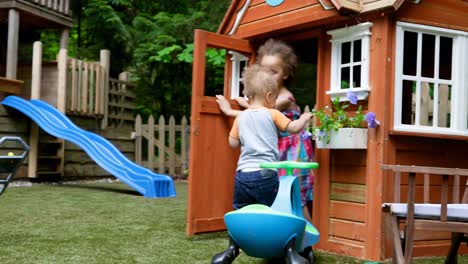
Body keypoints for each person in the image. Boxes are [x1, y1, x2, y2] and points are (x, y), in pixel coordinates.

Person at [211, 64, 312, 264]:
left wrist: (244, 136)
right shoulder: (271, 113)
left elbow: (232, 143)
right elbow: (292, 128)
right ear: (268, 96)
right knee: (275, 212)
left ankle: (232, 249)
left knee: (242, 212)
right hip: (266, 174)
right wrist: (304, 118)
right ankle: (289, 252)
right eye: (274, 98)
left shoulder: (241, 116)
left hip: (243, 175)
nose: (274, 102)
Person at [216, 39, 315, 223]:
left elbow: (261, 114)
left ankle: (306, 238)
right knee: (280, 194)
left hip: (293, 149)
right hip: (276, 148)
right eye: (264, 70)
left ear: (286, 74)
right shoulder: (267, 100)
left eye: (274, 71)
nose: (267, 75)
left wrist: (231, 111)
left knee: (296, 195)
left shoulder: (284, 97)